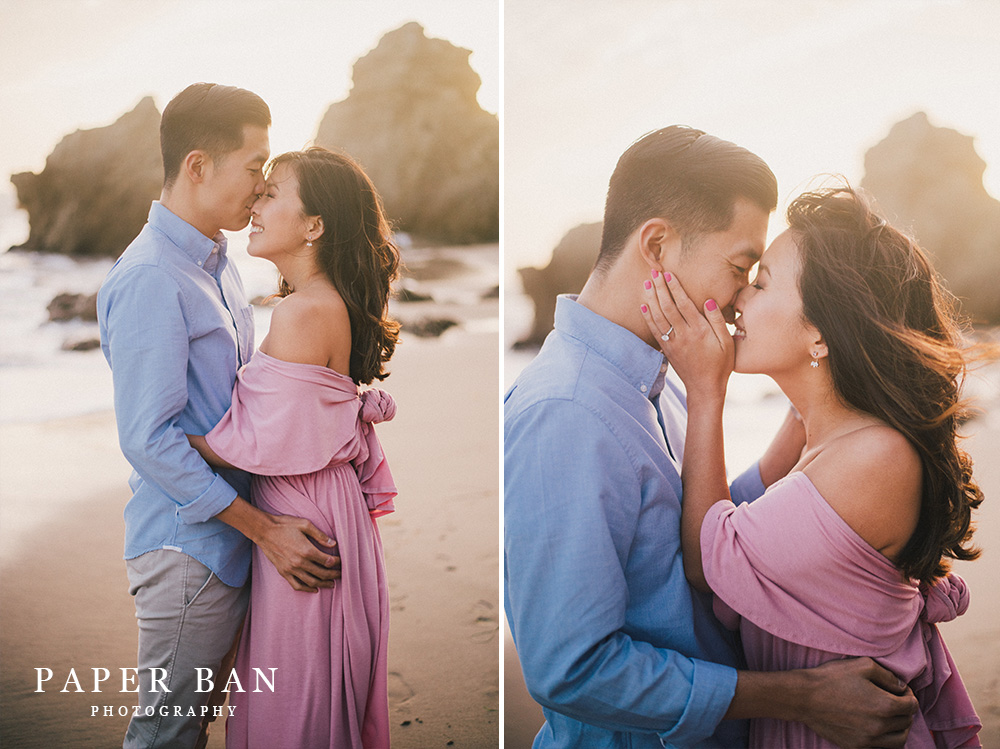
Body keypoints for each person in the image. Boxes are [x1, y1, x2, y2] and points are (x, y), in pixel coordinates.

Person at [504, 126, 919, 748]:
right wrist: (800, 698)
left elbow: (724, 523)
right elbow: (573, 670)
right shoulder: (564, 413)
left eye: (757, 275)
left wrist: (818, 399)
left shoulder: (665, 376)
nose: (738, 299)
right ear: (659, 244)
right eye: (738, 267)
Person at [641, 185, 983, 747]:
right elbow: (752, 500)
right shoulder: (832, 438)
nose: (737, 301)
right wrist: (801, 399)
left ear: (820, 331)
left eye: (763, 282)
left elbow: (711, 559)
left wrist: (706, 390)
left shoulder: (876, 458)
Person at [98, 84, 342, 749]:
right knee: (166, 734)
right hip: (188, 549)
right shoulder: (152, 276)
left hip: (229, 543)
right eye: (254, 166)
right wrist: (265, 530)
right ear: (199, 165)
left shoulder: (218, 263)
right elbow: (148, 439)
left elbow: (238, 407)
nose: (262, 188)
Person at [185, 147, 400, 748]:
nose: (256, 203)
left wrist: (163, 436)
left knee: (295, 707)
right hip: (324, 504)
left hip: (302, 513)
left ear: (314, 225)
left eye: (272, 192)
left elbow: (249, 443)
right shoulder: (326, 303)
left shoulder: (303, 313)